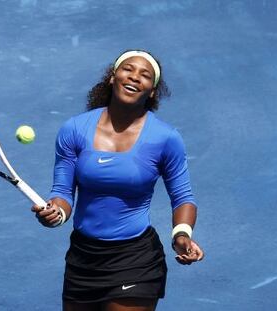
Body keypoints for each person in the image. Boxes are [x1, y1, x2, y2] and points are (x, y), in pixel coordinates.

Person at [32, 50, 204, 311]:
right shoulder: (75, 129)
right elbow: (63, 193)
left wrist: (182, 235)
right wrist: (57, 213)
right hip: (83, 259)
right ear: (113, 77)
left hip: (135, 260)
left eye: (145, 75)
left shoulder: (165, 138)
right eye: (128, 69)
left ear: (153, 91)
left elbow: (183, 197)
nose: (134, 77)